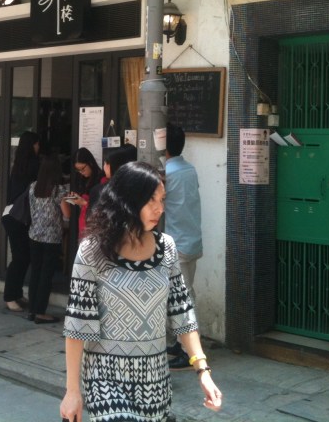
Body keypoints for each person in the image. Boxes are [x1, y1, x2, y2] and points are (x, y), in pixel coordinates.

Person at [59, 161, 222, 422]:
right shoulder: (92, 251)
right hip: (105, 380)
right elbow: (78, 324)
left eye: (162, 199)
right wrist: (72, 391)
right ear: (127, 200)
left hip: (154, 382)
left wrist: (202, 370)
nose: (160, 208)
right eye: (150, 200)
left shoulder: (166, 247)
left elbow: (182, 312)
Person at [162, 123, 203, 370]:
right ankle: (179, 343)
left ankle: (190, 352)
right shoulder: (190, 169)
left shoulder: (168, 173)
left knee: (183, 299)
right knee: (183, 295)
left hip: (177, 244)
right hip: (191, 240)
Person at [26, 154, 70, 324]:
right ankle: (40, 312)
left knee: (36, 272)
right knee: (46, 275)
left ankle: (32, 309)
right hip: (51, 238)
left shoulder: (33, 187)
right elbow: (67, 214)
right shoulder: (58, 191)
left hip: (34, 234)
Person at [2, 130, 40, 312]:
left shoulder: (18, 165)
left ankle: (16, 293)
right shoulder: (33, 165)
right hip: (18, 217)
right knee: (20, 258)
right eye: (37, 144)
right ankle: (10, 296)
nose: (38, 147)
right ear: (32, 145)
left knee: (22, 257)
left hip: (11, 215)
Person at [87, 144, 137, 216]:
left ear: (115, 165)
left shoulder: (100, 191)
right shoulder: (141, 188)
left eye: (106, 163)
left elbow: (92, 220)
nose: (104, 166)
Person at [66, 147, 104, 237]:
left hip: (95, 228)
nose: (81, 172)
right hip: (83, 224)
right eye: (78, 170)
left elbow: (102, 209)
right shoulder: (81, 179)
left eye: (83, 168)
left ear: (90, 163)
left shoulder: (101, 179)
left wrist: (83, 202)